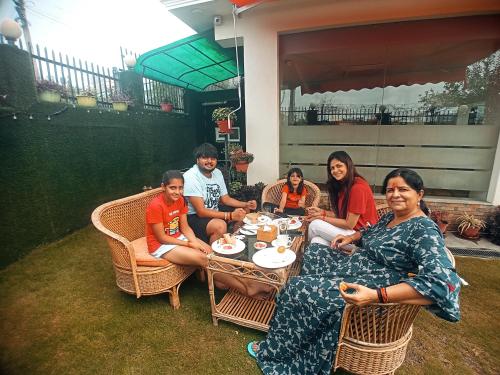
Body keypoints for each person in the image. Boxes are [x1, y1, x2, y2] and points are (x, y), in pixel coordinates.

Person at [247, 168, 461, 374]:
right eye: (390, 190)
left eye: (403, 189)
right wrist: (350, 237)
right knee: (314, 252)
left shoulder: (423, 230)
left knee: (295, 288)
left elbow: (444, 283)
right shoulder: (391, 216)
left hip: (371, 284)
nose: (395, 195)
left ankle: (280, 352)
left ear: (419, 194)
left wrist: (378, 295)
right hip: (355, 266)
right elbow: (368, 232)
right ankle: (313, 317)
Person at [146, 170, 266, 297]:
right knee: (205, 259)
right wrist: (188, 244)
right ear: (163, 187)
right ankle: (246, 288)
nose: (177, 192)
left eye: (180, 188)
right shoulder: (156, 206)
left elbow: (185, 227)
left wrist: (193, 241)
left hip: (178, 237)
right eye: (172, 188)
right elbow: (162, 238)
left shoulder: (180, 200)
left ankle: (245, 282)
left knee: (213, 256)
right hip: (160, 245)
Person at [183, 143, 257, 244]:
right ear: (197, 160)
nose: (209, 161)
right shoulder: (191, 176)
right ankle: (215, 257)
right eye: (205, 158)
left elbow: (225, 199)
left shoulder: (217, 173)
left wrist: (246, 204)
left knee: (244, 210)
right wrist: (230, 215)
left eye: (213, 158)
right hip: (195, 217)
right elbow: (201, 211)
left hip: (214, 210)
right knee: (220, 225)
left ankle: (235, 240)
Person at [306, 151, 378, 246]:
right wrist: (322, 212)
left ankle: (305, 249)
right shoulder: (344, 186)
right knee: (317, 241)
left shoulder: (358, 188)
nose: (335, 170)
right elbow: (342, 216)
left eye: (339, 166)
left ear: (348, 165)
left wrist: (321, 218)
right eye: (332, 168)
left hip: (363, 237)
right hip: (350, 232)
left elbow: (349, 224)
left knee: (315, 225)